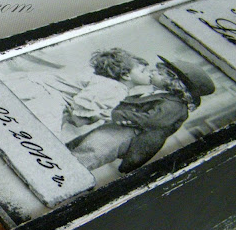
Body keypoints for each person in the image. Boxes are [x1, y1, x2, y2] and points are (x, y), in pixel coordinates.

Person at [67, 56, 215, 173]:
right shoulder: (161, 95)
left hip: (129, 135)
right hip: (120, 128)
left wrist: (115, 115)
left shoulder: (175, 106)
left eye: (159, 73)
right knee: (80, 145)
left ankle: (66, 175)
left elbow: (152, 120)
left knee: (91, 152)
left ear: (173, 82)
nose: (153, 72)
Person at [59, 48, 157, 143]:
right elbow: (80, 108)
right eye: (143, 71)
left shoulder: (118, 88)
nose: (150, 74)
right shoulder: (115, 88)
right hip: (65, 118)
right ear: (126, 75)